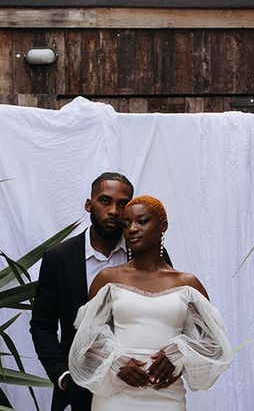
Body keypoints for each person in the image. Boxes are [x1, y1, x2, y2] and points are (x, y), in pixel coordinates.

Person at [68, 195, 232, 410]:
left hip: (166, 395)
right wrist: (115, 362)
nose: (132, 229)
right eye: (126, 225)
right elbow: (86, 342)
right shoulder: (108, 279)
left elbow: (215, 346)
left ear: (162, 226)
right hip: (116, 396)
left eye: (142, 222)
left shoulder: (187, 283)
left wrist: (180, 352)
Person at [30, 172, 136, 411]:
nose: (113, 211)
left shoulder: (143, 253)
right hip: (81, 386)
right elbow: (42, 324)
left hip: (137, 384)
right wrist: (63, 375)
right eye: (105, 201)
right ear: (89, 204)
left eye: (123, 204)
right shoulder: (59, 258)